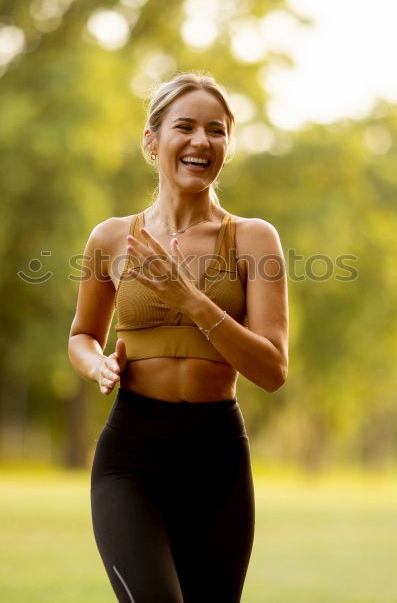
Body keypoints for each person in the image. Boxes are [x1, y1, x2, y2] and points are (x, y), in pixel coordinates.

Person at [67, 72, 289, 602]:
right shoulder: (111, 237)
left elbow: (272, 370)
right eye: (184, 127)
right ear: (152, 140)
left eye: (216, 130)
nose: (200, 141)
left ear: (227, 147)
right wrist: (97, 364)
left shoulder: (254, 238)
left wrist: (191, 299)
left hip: (217, 455)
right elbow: (81, 335)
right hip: (132, 453)